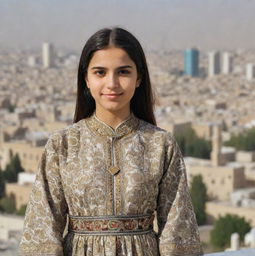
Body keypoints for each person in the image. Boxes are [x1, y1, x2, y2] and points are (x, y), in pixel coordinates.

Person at [19, 27, 203, 256]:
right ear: (86, 79)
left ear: (139, 78)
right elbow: (42, 231)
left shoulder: (160, 144)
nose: (112, 83)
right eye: (100, 72)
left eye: (123, 72)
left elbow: (178, 234)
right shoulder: (62, 145)